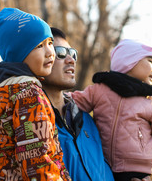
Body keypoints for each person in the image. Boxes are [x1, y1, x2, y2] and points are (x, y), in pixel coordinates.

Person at [0, 8, 71, 181]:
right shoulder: (28, 96)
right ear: (18, 53)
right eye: (39, 46)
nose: (51, 52)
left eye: (50, 42)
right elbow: (38, 162)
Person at [71, 39, 152, 181]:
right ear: (129, 62)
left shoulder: (151, 101)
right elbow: (73, 101)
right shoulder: (100, 90)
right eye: (150, 61)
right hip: (101, 163)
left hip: (137, 171)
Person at [41, 27, 115, 181]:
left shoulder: (87, 120)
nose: (71, 60)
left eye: (72, 54)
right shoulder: (25, 123)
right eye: (60, 53)